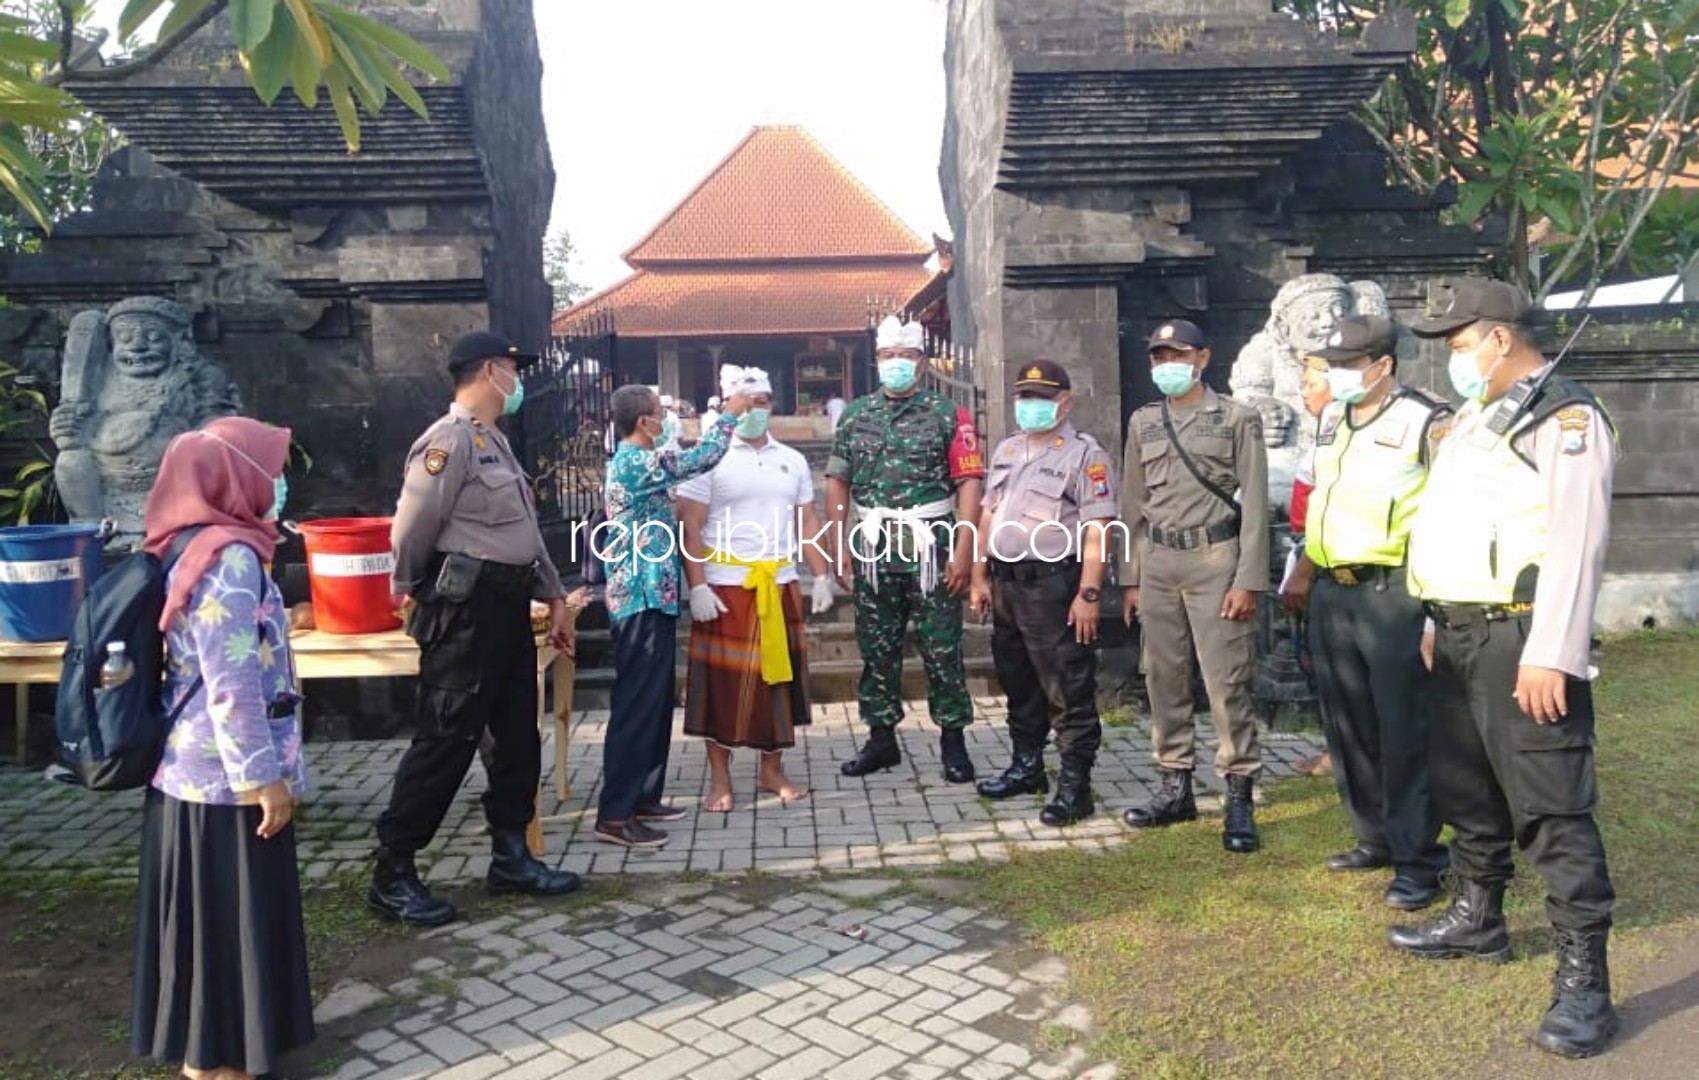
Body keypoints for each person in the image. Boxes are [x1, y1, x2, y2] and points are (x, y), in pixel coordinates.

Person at [1393, 277, 1620, 1059]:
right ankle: (1477, 916)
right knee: (1465, 788)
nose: (1452, 360)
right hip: (1457, 632)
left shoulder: (1563, 418)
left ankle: (1584, 983)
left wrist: (1552, 650)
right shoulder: (1477, 418)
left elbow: (1576, 543)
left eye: (1459, 345)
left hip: (1520, 638)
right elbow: (1454, 525)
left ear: (1498, 338)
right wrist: (1434, 617)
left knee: (1550, 806)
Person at [371, 331, 580, 926]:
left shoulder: (495, 441)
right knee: (446, 737)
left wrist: (553, 595)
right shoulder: (448, 441)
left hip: (509, 604)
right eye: (514, 369)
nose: (519, 380)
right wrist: (408, 586)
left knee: (516, 736)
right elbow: (412, 525)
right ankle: (393, 870)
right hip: (463, 609)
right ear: (491, 371)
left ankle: (511, 856)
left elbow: (524, 532)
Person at [132, 417, 313, 1080]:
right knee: (228, 923)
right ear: (237, 477)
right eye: (271, 469)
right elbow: (231, 683)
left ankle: (215, 1053)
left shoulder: (185, 544)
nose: (279, 482)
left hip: (191, 774)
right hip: (225, 781)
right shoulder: (229, 560)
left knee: (205, 924)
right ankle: (218, 1064)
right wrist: (262, 779)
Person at [1279, 315, 1451, 909]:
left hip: (1392, 592)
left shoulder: (1426, 421)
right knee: (1346, 722)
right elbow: (1324, 503)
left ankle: (1419, 858)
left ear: (1383, 365)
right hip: (1334, 589)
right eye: (1333, 366)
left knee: (1402, 729)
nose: (1339, 376)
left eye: (1350, 365)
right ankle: (1372, 835)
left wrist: (1431, 614)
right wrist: (1304, 571)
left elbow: (1445, 516)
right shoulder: (1332, 420)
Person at [1119, 318, 1268, 854]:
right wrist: (1130, 577)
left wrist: (1249, 579)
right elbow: (1131, 503)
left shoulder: (1236, 418)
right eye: (1158, 357)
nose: (1166, 365)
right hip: (1158, 562)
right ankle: (1174, 785)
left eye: (1176, 355)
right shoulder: (1144, 421)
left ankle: (1239, 793)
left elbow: (1256, 504)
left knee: (1226, 680)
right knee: (1164, 677)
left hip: (1215, 559)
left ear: (1202, 359)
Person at [826, 315, 985, 783]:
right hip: (874, 549)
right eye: (888, 355)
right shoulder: (855, 415)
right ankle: (881, 740)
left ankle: (953, 741)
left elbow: (969, 482)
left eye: (906, 355)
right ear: (877, 360)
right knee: (877, 647)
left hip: (931, 547)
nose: (896, 362)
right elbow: (837, 481)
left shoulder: (948, 414)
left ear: (921, 362)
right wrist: (837, 546)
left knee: (942, 647)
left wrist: (964, 549)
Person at [598, 382, 750, 846]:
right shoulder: (634, 462)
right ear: (643, 422)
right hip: (638, 599)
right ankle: (615, 815)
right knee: (637, 705)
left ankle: (644, 795)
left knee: (656, 700)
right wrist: (729, 414)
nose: (666, 419)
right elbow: (703, 458)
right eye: (659, 413)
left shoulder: (644, 460)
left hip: (656, 596)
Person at [678, 365, 835, 811]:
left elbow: (807, 519)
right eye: (744, 404)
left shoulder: (792, 459)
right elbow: (690, 526)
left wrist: (821, 574)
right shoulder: (707, 458)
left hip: (779, 582)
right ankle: (720, 778)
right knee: (721, 686)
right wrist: (698, 586)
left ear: (772, 404)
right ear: (727, 405)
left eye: (761, 403)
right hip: (726, 587)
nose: (753, 411)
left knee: (777, 683)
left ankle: (771, 769)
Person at [969, 360, 1116, 826]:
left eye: (1042, 398)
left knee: (1066, 686)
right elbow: (988, 515)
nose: (1030, 405)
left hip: (1054, 585)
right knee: (1019, 682)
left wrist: (1089, 593)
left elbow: (1098, 527)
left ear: (1064, 404)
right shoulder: (1008, 449)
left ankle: (1075, 786)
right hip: (1007, 585)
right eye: (1024, 397)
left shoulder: (1085, 455)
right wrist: (978, 574)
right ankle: (1026, 766)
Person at [1289, 356, 1334, 780]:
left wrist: (1302, 570)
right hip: (1306, 550)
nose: (1304, 393)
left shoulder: (1343, 440)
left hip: (1323, 561)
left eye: (1312, 384)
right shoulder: (1324, 435)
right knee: (1317, 660)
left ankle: (1342, 750)